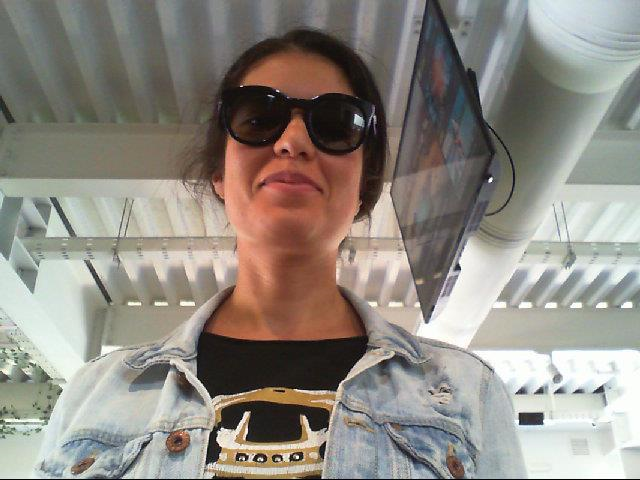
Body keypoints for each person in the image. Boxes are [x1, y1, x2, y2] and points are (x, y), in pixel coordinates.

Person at [32, 28, 526, 479]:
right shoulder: (95, 395)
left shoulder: (468, 394)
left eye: (336, 124)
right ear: (220, 175)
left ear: (364, 186)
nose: (293, 141)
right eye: (257, 117)